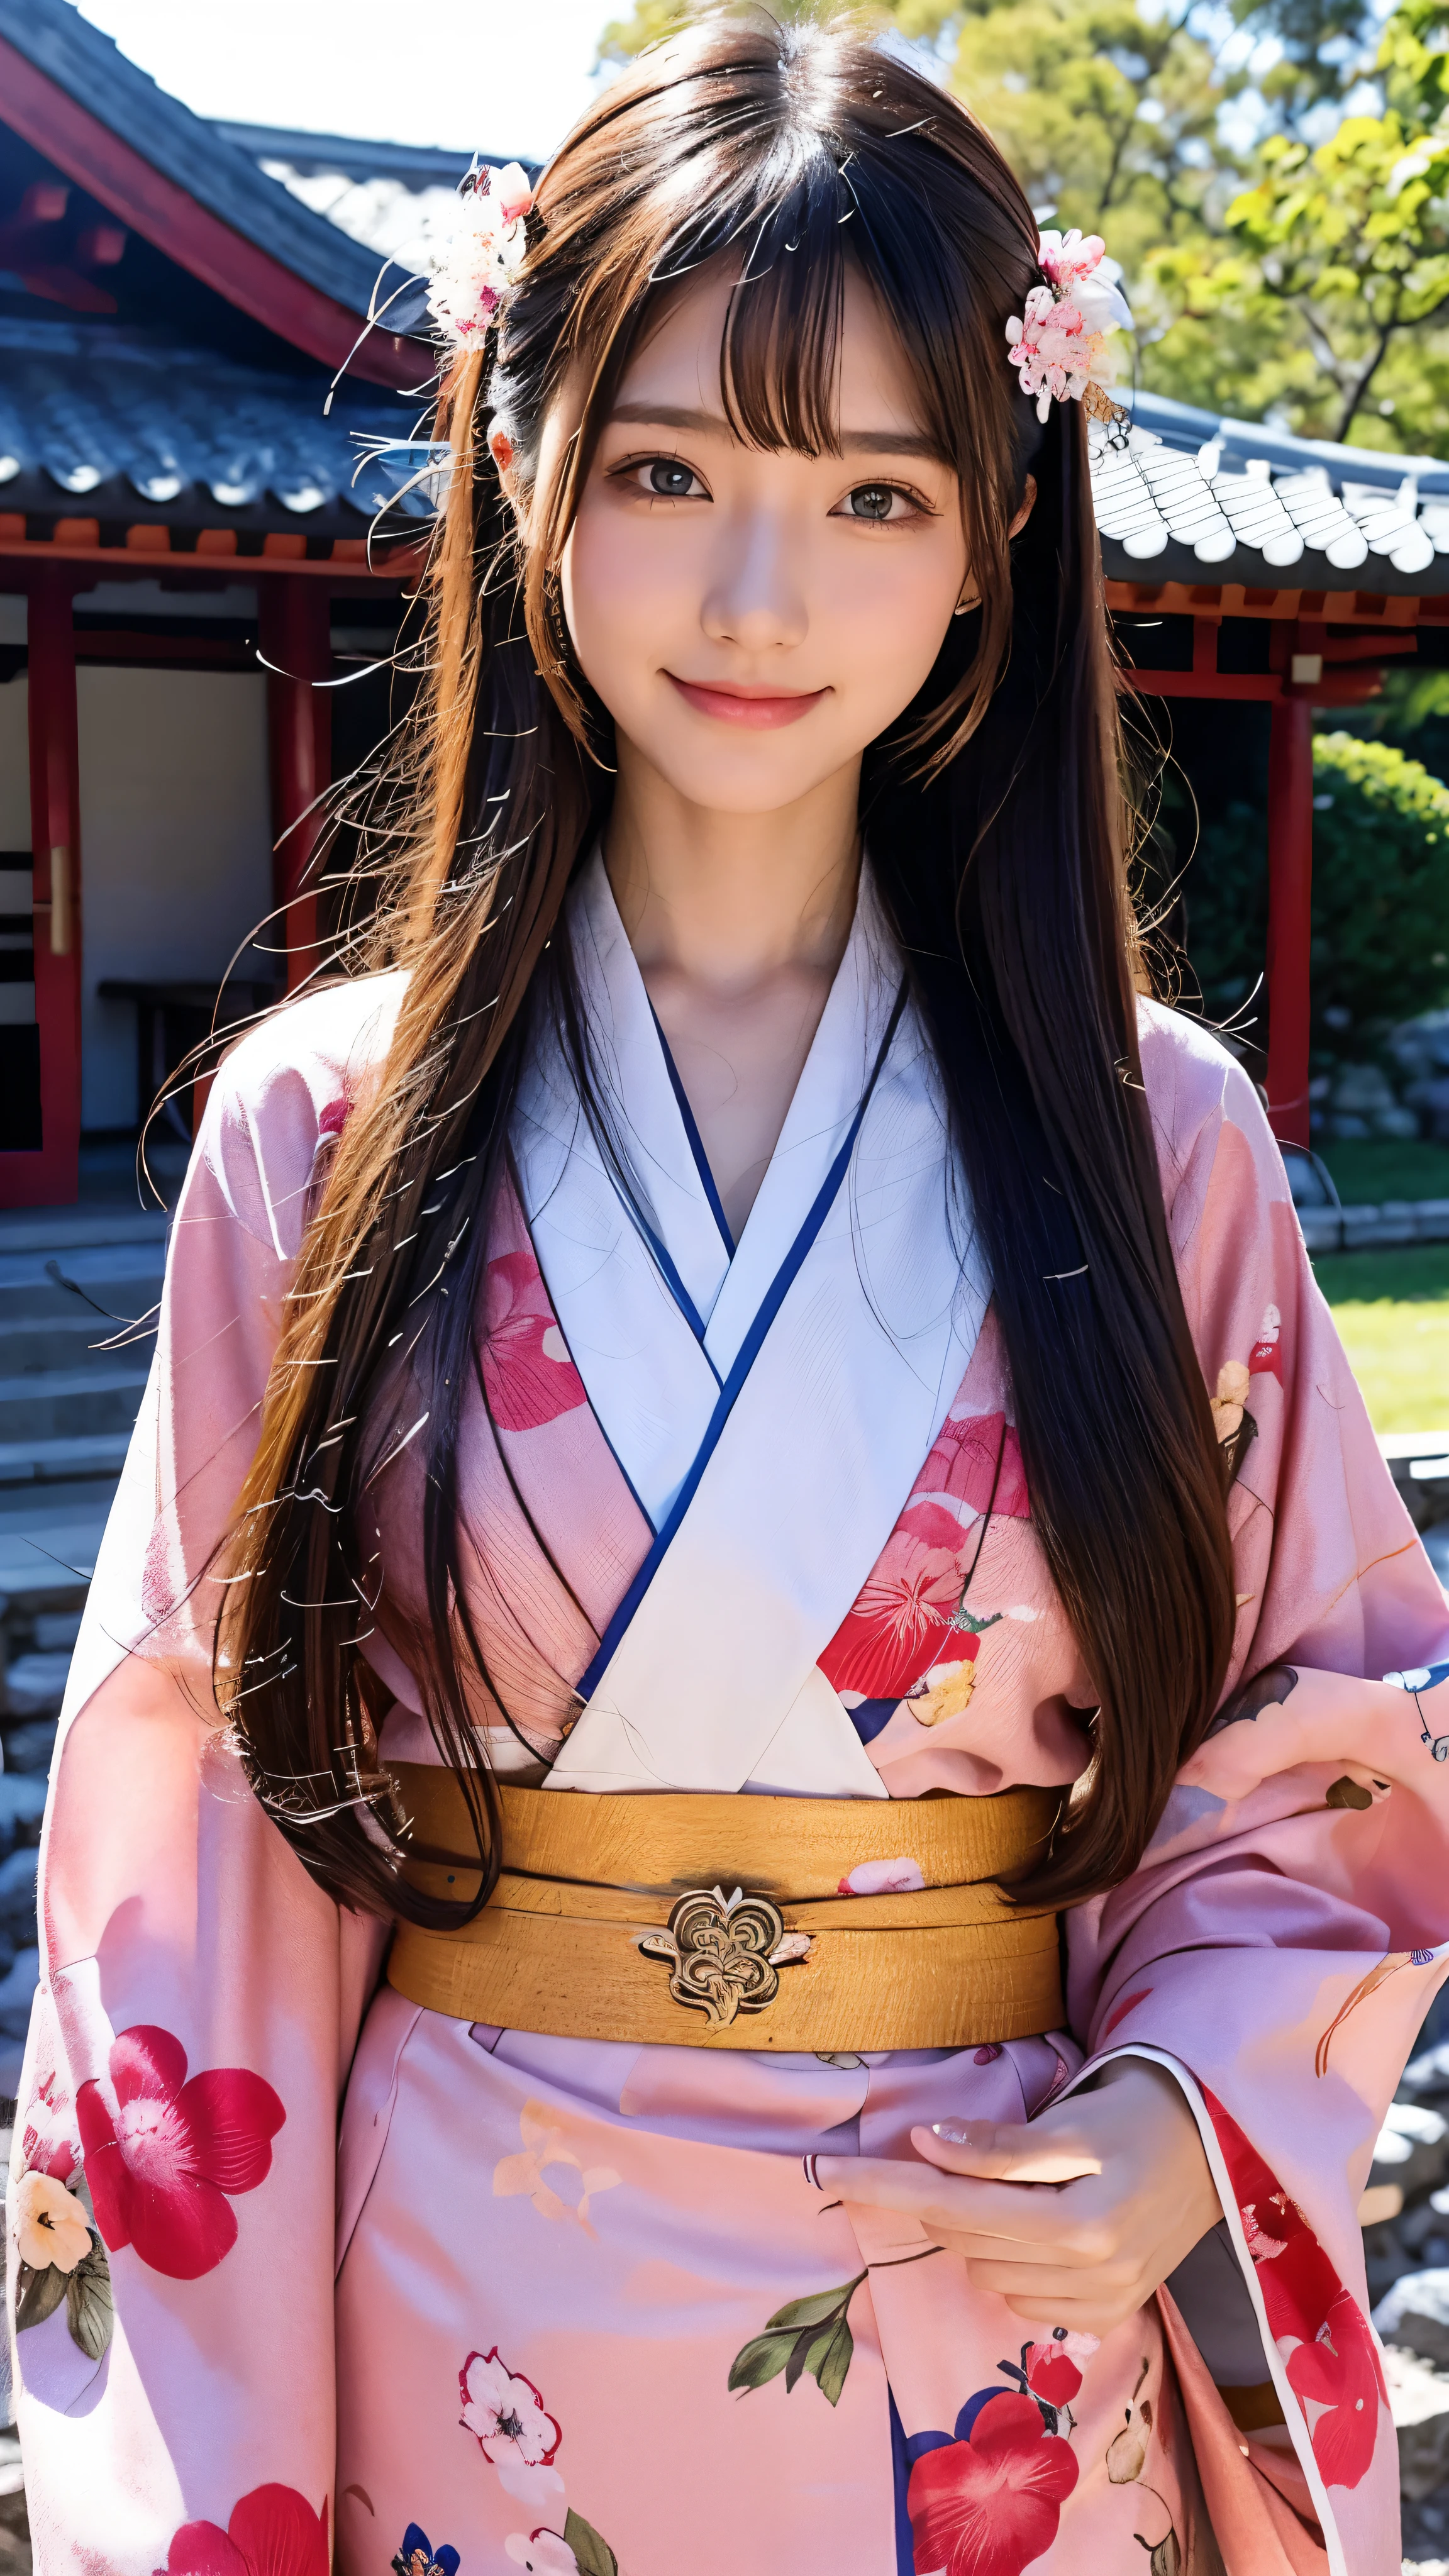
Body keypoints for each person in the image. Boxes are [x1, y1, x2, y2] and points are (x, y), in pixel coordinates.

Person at [11, 14, 1449, 2575]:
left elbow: (1314, 1745)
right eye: (667, 469)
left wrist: (1183, 2120)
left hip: (989, 2307)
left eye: (874, 492)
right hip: (460, 2337)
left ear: (999, 530)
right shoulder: (322, 1137)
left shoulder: (1162, 1139)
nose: (760, 597)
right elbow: (193, 1865)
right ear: (519, 462)